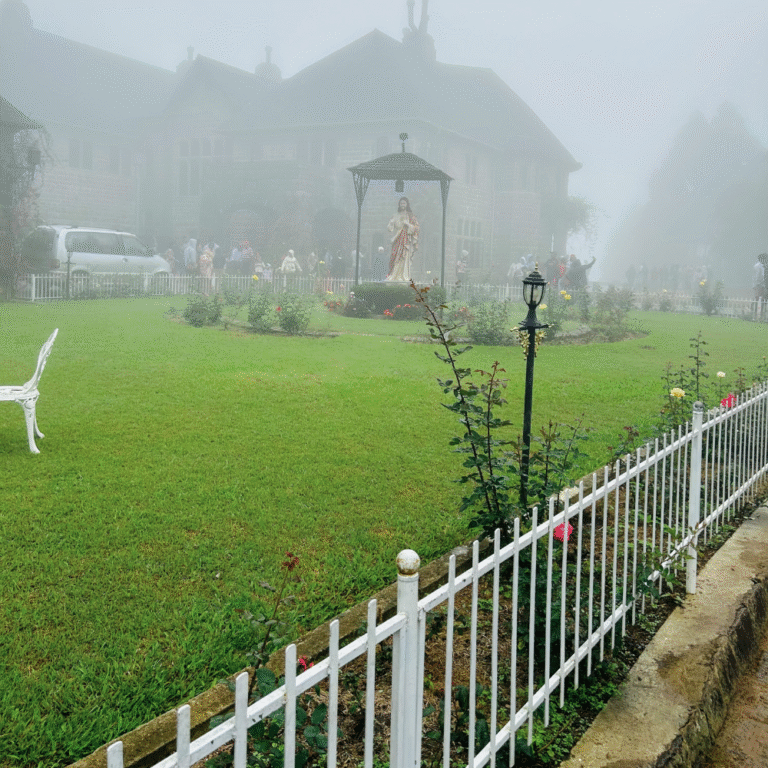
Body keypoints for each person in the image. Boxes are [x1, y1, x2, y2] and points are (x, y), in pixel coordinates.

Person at [386, 196, 419, 282]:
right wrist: (391, 222)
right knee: (394, 256)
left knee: (403, 257)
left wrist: (407, 224)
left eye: (404, 203)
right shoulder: (395, 215)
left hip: (405, 241)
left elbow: (416, 228)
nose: (402, 205)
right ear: (399, 205)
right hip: (397, 239)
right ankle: (394, 275)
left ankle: (403, 275)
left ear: (407, 204)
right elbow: (390, 229)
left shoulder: (410, 216)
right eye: (401, 203)